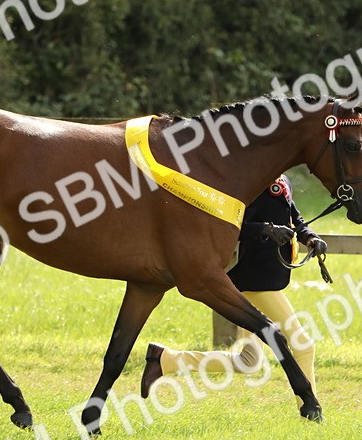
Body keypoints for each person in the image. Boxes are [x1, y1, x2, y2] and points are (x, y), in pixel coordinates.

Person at [140, 174, 327, 406]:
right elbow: (231, 225)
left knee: (249, 361)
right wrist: (266, 229)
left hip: (270, 276)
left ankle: (165, 360)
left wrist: (310, 237)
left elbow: (293, 216)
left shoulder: (281, 178)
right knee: (303, 346)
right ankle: (310, 414)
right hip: (257, 280)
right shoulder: (250, 180)